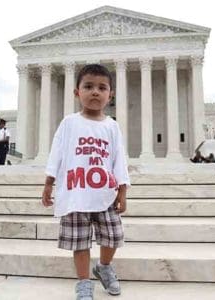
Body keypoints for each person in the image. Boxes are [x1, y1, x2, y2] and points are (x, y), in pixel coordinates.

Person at [42, 64, 130, 299]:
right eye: (88, 86)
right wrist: (49, 182)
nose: (95, 92)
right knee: (80, 243)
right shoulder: (69, 123)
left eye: (102, 88)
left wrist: (122, 190)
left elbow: (119, 159)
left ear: (110, 95)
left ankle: (103, 266)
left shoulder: (112, 126)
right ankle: (83, 282)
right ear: (76, 92)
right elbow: (56, 153)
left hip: (105, 194)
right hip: (76, 193)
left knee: (112, 236)